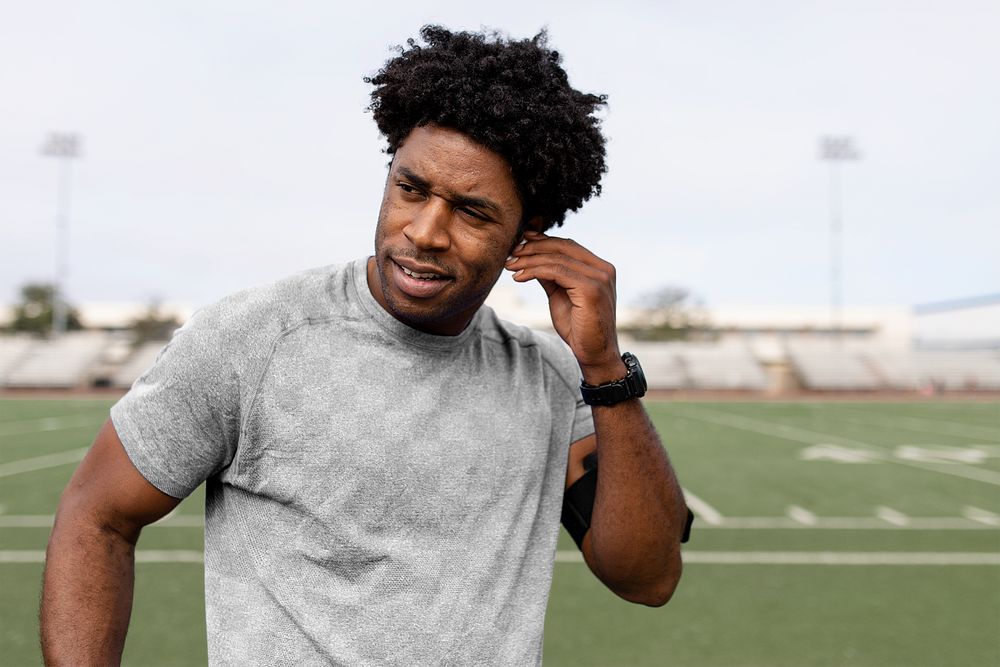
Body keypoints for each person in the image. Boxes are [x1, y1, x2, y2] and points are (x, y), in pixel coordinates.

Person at [41, 25, 690, 666]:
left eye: (471, 211)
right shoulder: (251, 340)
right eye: (411, 189)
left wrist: (605, 369)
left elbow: (647, 576)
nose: (425, 230)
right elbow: (96, 515)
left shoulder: (551, 375)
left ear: (527, 235)